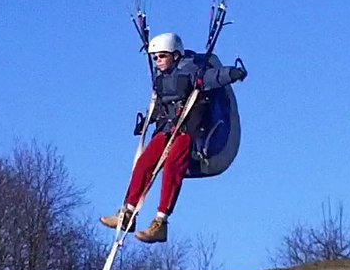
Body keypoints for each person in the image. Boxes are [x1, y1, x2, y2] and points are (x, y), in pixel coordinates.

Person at [101, 31, 248, 243]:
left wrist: (232, 73)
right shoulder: (160, 80)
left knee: (172, 167)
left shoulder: (191, 71)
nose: (158, 61)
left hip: (188, 130)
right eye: (156, 57)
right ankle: (127, 215)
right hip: (166, 129)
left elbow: (213, 77)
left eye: (162, 56)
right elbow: (159, 105)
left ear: (175, 55)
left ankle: (161, 223)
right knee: (144, 164)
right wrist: (146, 122)